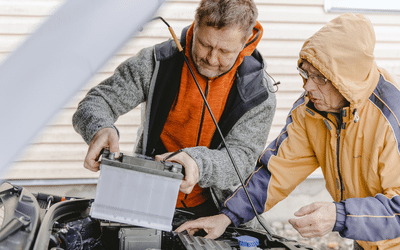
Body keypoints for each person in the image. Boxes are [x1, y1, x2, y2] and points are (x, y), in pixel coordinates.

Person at [176, 13, 400, 250]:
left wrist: (339, 215)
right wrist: (226, 217)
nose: (308, 86)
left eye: (320, 78)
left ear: (347, 78)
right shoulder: (312, 110)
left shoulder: (391, 118)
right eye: (306, 73)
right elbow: (276, 171)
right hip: (366, 241)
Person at [72, 0, 276, 218]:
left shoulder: (259, 92)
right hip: (146, 195)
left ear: (245, 43)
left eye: (225, 51)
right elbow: (96, 101)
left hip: (218, 211)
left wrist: (198, 163)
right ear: (195, 26)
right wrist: (100, 128)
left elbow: (242, 159)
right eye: (205, 44)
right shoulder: (156, 62)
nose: (211, 58)